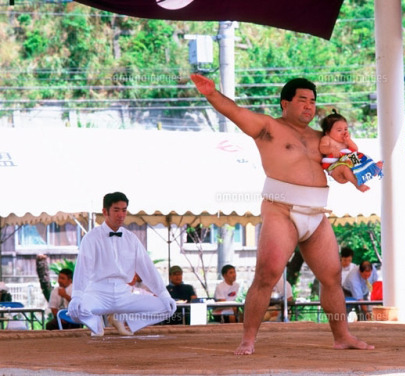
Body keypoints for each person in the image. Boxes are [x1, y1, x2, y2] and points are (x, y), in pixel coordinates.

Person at [191, 73, 374, 354]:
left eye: (313, 101)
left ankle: (342, 336)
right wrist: (212, 94)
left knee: (332, 277)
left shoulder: (322, 139)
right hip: (281, 210)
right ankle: (248, 340)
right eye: (302, 100)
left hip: (316, 213)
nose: (309, 106)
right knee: (267, 275)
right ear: (284, 103)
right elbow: (236, 112)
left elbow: (337, 173)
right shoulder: (269, 128)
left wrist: (353, 172)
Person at [68, 192, 177, 336]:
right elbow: (83, 269)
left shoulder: (131, 239)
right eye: (116, 210)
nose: (121, 215)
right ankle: (95, 323)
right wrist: (77, 295)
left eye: (124, 210)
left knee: (167, 307)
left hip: (123, 294)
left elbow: (147, 269)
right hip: (97, 293)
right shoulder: (91, 237)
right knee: (75, 310)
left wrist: (163, 293)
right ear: (105, 212)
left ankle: (121, 318)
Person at [319, 108, 383, 192]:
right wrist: (330, 150)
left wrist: (348, 140)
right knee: (345, 168)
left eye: (345, 129)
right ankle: (358, 184)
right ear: (327, 132)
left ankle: (372, 169)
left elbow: (355, 149)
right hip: (335, 168)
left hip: (349, 164)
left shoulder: (345, 141)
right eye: (339, 130)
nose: (343, 132)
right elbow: (322, 149)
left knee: (360, 156)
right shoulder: (327, 139)